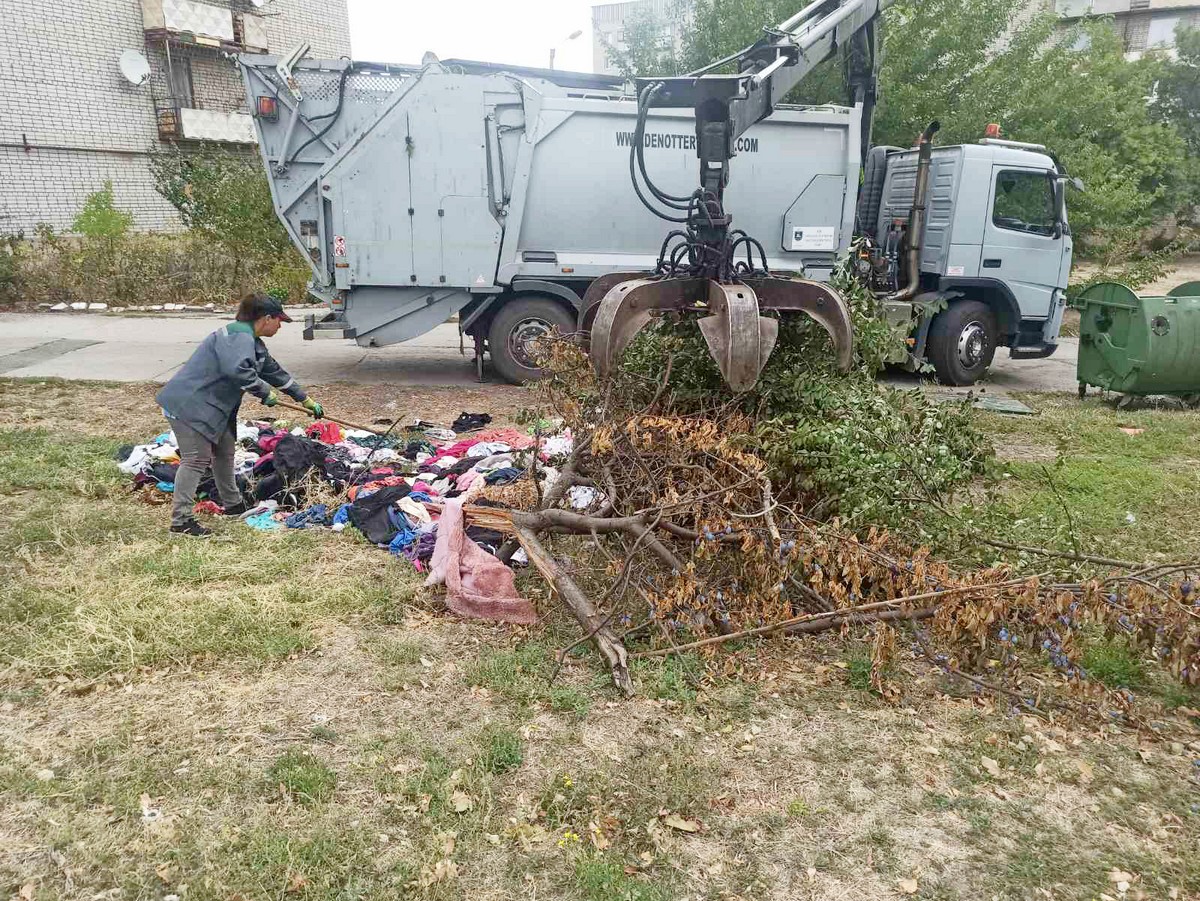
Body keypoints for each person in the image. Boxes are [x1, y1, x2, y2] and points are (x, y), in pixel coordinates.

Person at [156, 292, 324, 536]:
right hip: (189, 405)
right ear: (266, 318)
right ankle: (180, 522)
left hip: (214, 408)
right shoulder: (237, 337)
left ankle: (233, 505)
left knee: (225, 451)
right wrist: (264, 392)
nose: (280, 326)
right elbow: (238, 371)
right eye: (279, 321)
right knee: (196, 459)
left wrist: (305, 399)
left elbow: (274, 372)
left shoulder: (253, 342)